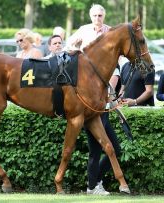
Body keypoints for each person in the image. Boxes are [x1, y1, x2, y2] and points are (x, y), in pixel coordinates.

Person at [66, 4, 123, 195]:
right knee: (97, 148)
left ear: (104, 16)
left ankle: (94, 184)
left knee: (112, 147)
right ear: (91, 16)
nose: (97, 18)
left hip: (103, 97)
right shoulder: (83, 30)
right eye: (95, 15)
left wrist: (112, 92)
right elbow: (68, 48)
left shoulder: (110, 32)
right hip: (85, 98)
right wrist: (74, 46)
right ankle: (93, 186)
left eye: (100, 15)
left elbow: (116, 66)